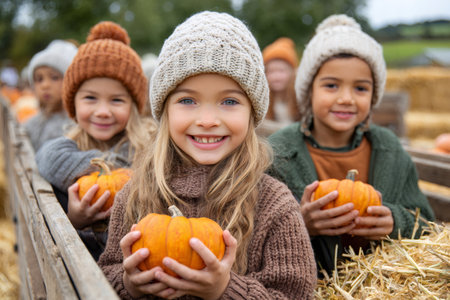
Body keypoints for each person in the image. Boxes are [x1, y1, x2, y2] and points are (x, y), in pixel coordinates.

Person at [98, 11, 316, 299]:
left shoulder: (273, 205)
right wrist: (128, 284)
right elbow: (106, 271)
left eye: (229, 101)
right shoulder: (135, 195)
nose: (208, 119)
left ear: (252, 113)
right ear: (165, 112)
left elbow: (294, 293)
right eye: (188, 100)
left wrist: (225, 289)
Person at [268, 14, 435, 274]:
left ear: (374, 94)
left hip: (379, 283)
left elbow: (426, 221)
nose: (346, 98)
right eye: (332, 86)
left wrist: (394, 222)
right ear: (308, 91)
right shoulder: (280, 152)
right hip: (313, 281)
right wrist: (300, 223)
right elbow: (256, 231)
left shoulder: (387, 148)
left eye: (360, 88)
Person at [36, 21, 156, 260]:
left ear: (133, 106)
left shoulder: (149, 144)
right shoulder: (69, 144)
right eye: (91, 98)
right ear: (73, 102)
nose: (103, 111)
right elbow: (47, 157)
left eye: (116, 100)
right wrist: (75, 220)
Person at [25, 40, 78, 151]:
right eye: (39, 79)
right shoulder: (30, 126)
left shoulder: (77, 125)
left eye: (54, 77)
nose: (45, 85)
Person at [257, 37, 300, 137]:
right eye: (271, 71)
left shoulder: (300, 96)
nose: (276, 77)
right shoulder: (262, 98)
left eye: (281, 71)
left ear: (292, 72)